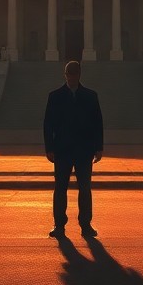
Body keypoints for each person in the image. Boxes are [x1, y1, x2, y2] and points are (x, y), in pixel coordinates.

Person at [43, 59, 104, 238]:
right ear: (65, 75)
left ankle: (86, 225)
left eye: (74, 75)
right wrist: (49, 147)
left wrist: (98, 147)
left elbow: (97, 123)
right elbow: (48, 124)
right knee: (60, 188)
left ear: (79, 75)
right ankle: (59, 225)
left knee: (85, 188)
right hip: (62, 149)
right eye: (68, 75)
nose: (71, 79)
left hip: (84, 149)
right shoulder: (55, 96)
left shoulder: (90, 96)